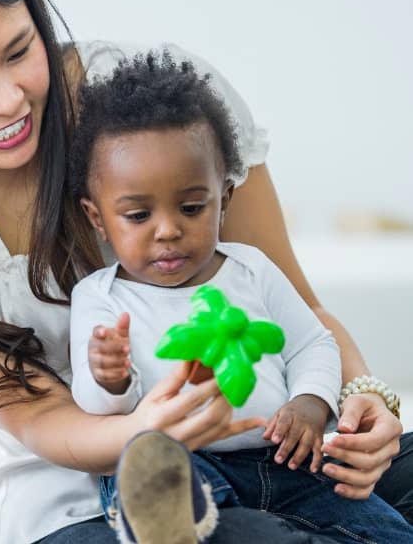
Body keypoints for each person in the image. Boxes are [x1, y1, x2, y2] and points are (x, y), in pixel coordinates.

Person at [0, 0, 411, 542]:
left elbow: (298, 310)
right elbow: (40, 419)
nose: (7, 100)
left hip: (277, 449)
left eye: (19, 50)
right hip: (74, 494)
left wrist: (365, 401)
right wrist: (150, 431)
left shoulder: (164, 110)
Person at [67, 50, 413, 543]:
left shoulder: (251, 269)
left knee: (388, 530)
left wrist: (310, 404)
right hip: (186, 461)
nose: (168, 230)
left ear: (223, 198)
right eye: (138, 216)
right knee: (153, 471)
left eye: (190, 207)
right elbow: (97, 409)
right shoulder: (100, 297)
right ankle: (175, 524)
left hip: (287, 464)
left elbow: (313, 344)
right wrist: (110, 377)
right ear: (98, 218)